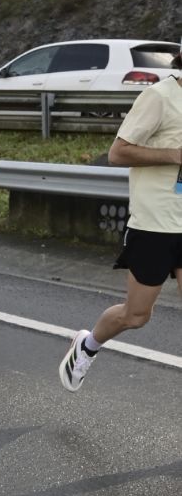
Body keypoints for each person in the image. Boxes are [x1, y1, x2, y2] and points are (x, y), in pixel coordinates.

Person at [59, 67, 182, 390]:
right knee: (137, 315)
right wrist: (175, 155)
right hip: (155, 223)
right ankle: (88, 345)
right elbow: (118, 152)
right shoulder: (159, 97)